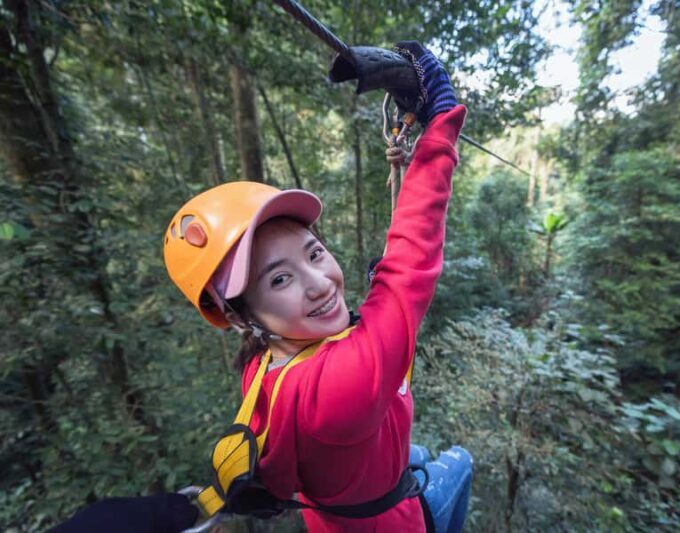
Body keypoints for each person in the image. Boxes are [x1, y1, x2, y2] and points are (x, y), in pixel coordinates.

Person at [162, 41, 472, 532]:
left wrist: (367, 311)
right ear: (242, 314)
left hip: (337, 512)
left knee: (416, 450)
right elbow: (411, 262)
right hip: (392, 522)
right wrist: (441, 123)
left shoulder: (260, 367)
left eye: (314, 253)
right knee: (459, 461)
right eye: (280, 278)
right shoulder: (342, 386)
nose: (320, 282)